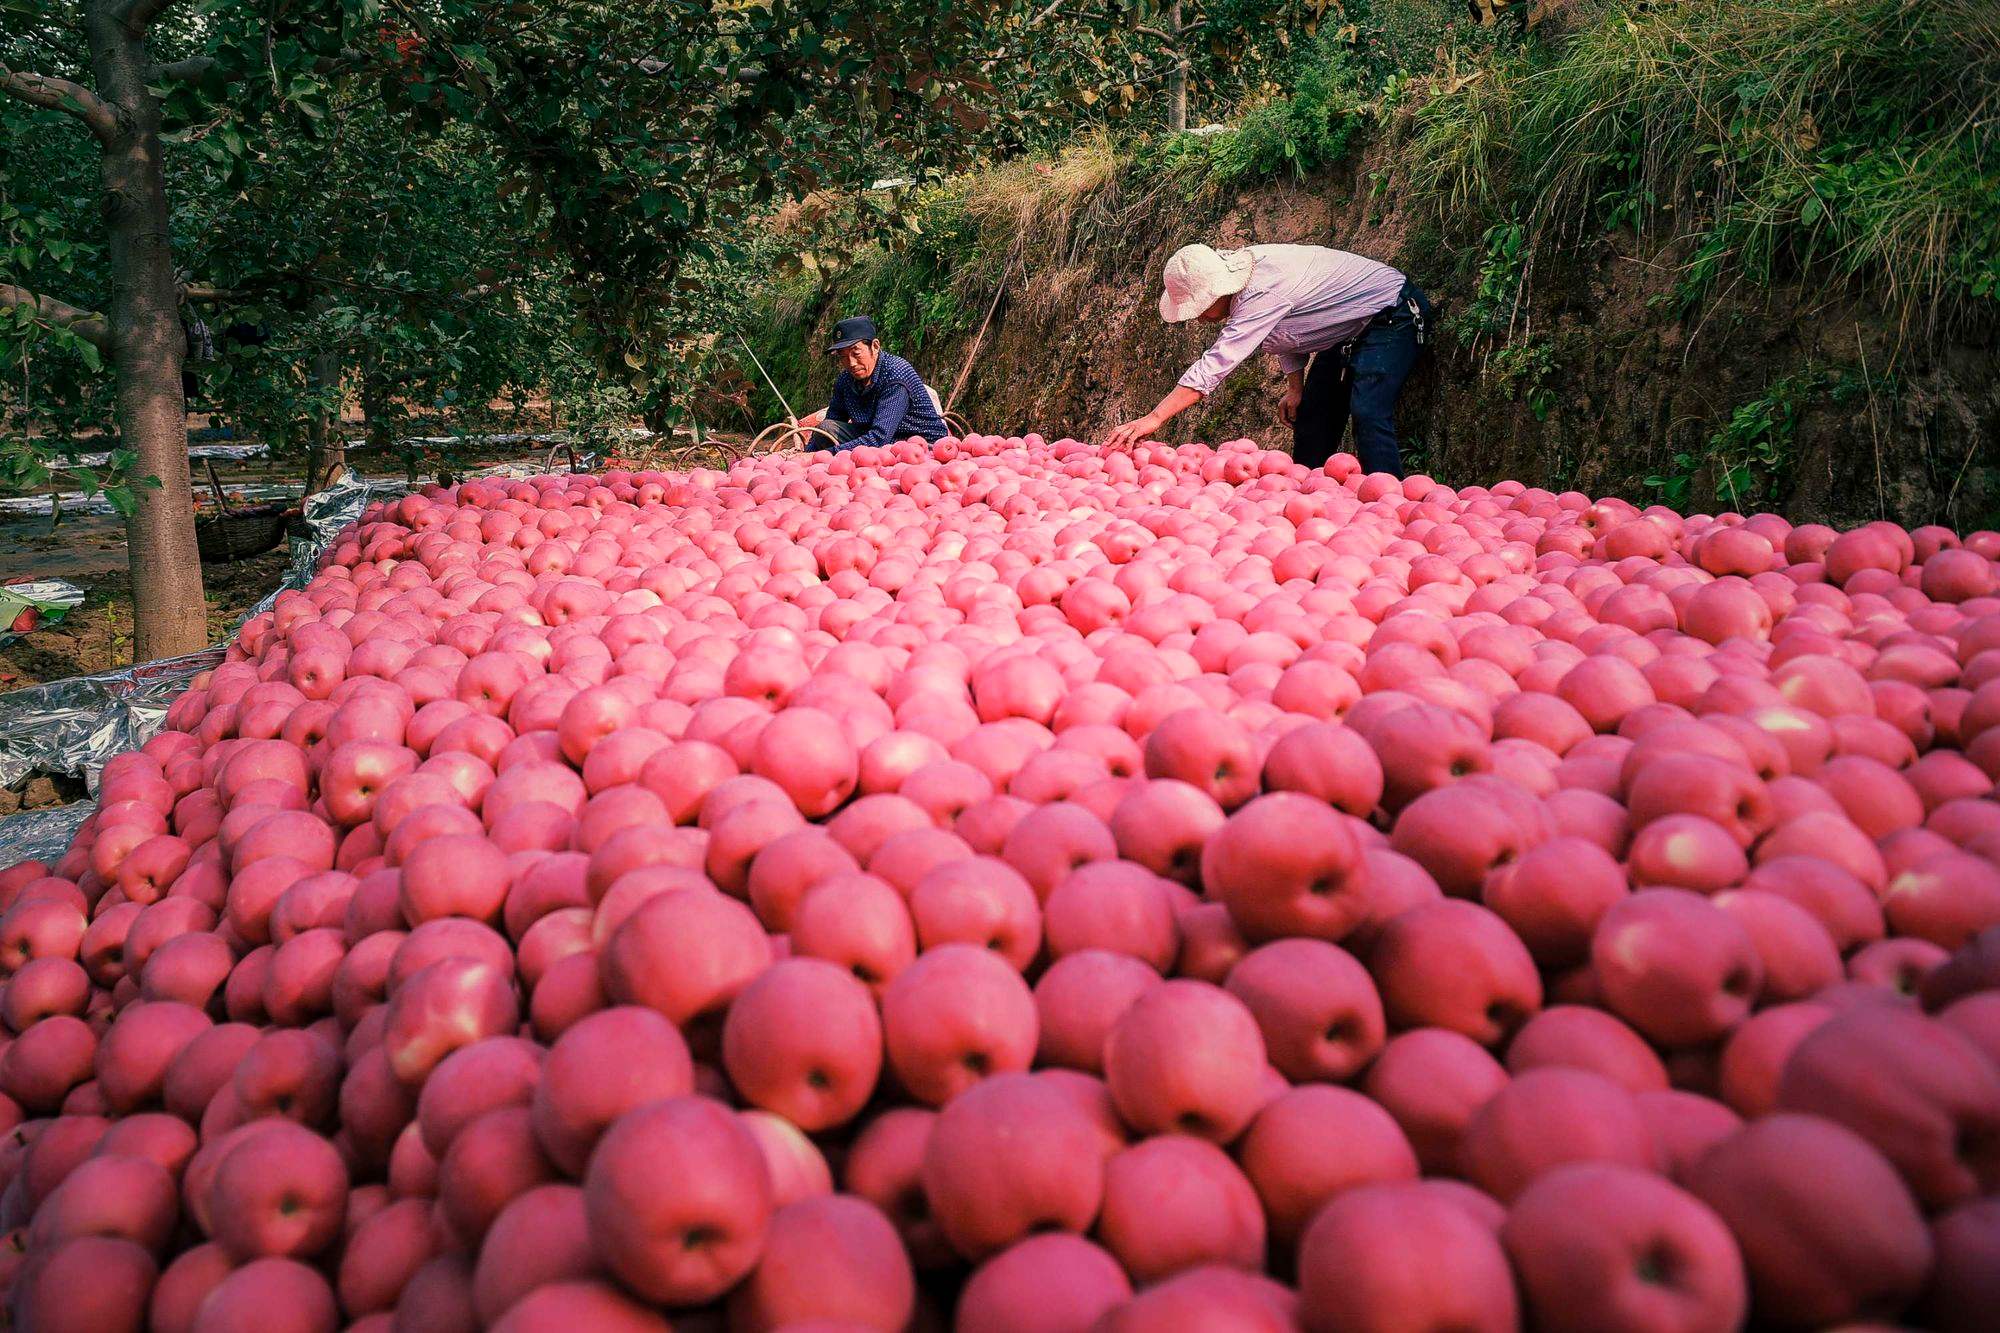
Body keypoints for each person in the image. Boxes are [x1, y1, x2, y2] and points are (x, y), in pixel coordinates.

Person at [1105, 243, 1431, 477]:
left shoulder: (1259, 293)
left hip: (1393, 313)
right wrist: (1295, 387)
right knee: (1312, 417)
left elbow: (1216, 364)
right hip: (1346, 330)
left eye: (1199, 307)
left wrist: (1155, 417)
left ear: (1218, 291)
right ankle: (1310, 496)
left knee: (1369, 410)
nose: (1199, 318)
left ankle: (1390, 502)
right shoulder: (1252, 286)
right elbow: (1293, 328)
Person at [797, 316, 950, 451]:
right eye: (843, 357)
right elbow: (833, 419)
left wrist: (826, 455)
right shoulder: (845, 380)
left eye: (856, 353)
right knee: (827, 428)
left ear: (875, 346)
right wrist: (806, 455)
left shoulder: (896, 373)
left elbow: (880, 437)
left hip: (920, 445)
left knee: (883, 446)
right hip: (880, 441)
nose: (851, 363)